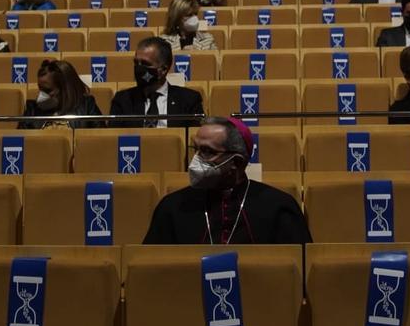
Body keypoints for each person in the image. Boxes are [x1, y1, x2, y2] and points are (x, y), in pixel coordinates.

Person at [143, 116, 311, 244]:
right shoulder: (172, 206)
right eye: (196, 149)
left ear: (236, 162)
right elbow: (152, 270)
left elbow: (295, 275)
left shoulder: (279, 207)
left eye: (207, 151)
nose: (195, 159)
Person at [109, 37, 204, 128]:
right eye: (136, 63)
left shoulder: (189, 100)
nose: (138, 68)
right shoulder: (122, 100)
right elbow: (113, 139)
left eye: (145, 64)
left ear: (163, 70)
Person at [19, 60, 102, 129]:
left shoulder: (87, 107)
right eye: (40, 89)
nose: (41, 95)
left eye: (47, 90)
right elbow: (22, 142)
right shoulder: (32, 110)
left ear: (65, 89)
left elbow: (100, 142)